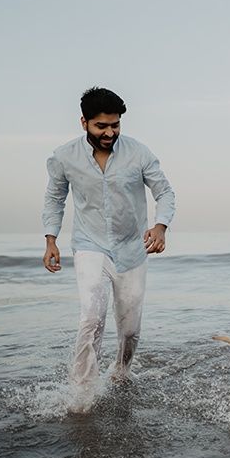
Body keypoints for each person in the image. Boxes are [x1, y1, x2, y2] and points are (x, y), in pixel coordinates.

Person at [42, 87, 176, 411]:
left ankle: (121, 371)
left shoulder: (138, 153)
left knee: (129, 331)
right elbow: (54, 198)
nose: (110, 132)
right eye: (102, 126)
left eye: (115, 125)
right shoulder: (63, 157)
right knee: (91, 317)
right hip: (90, 246)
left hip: (132, 249)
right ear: (84, 122)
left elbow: (165, 192)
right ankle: (82, 396)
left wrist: (160, 227)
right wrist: (51, 240)